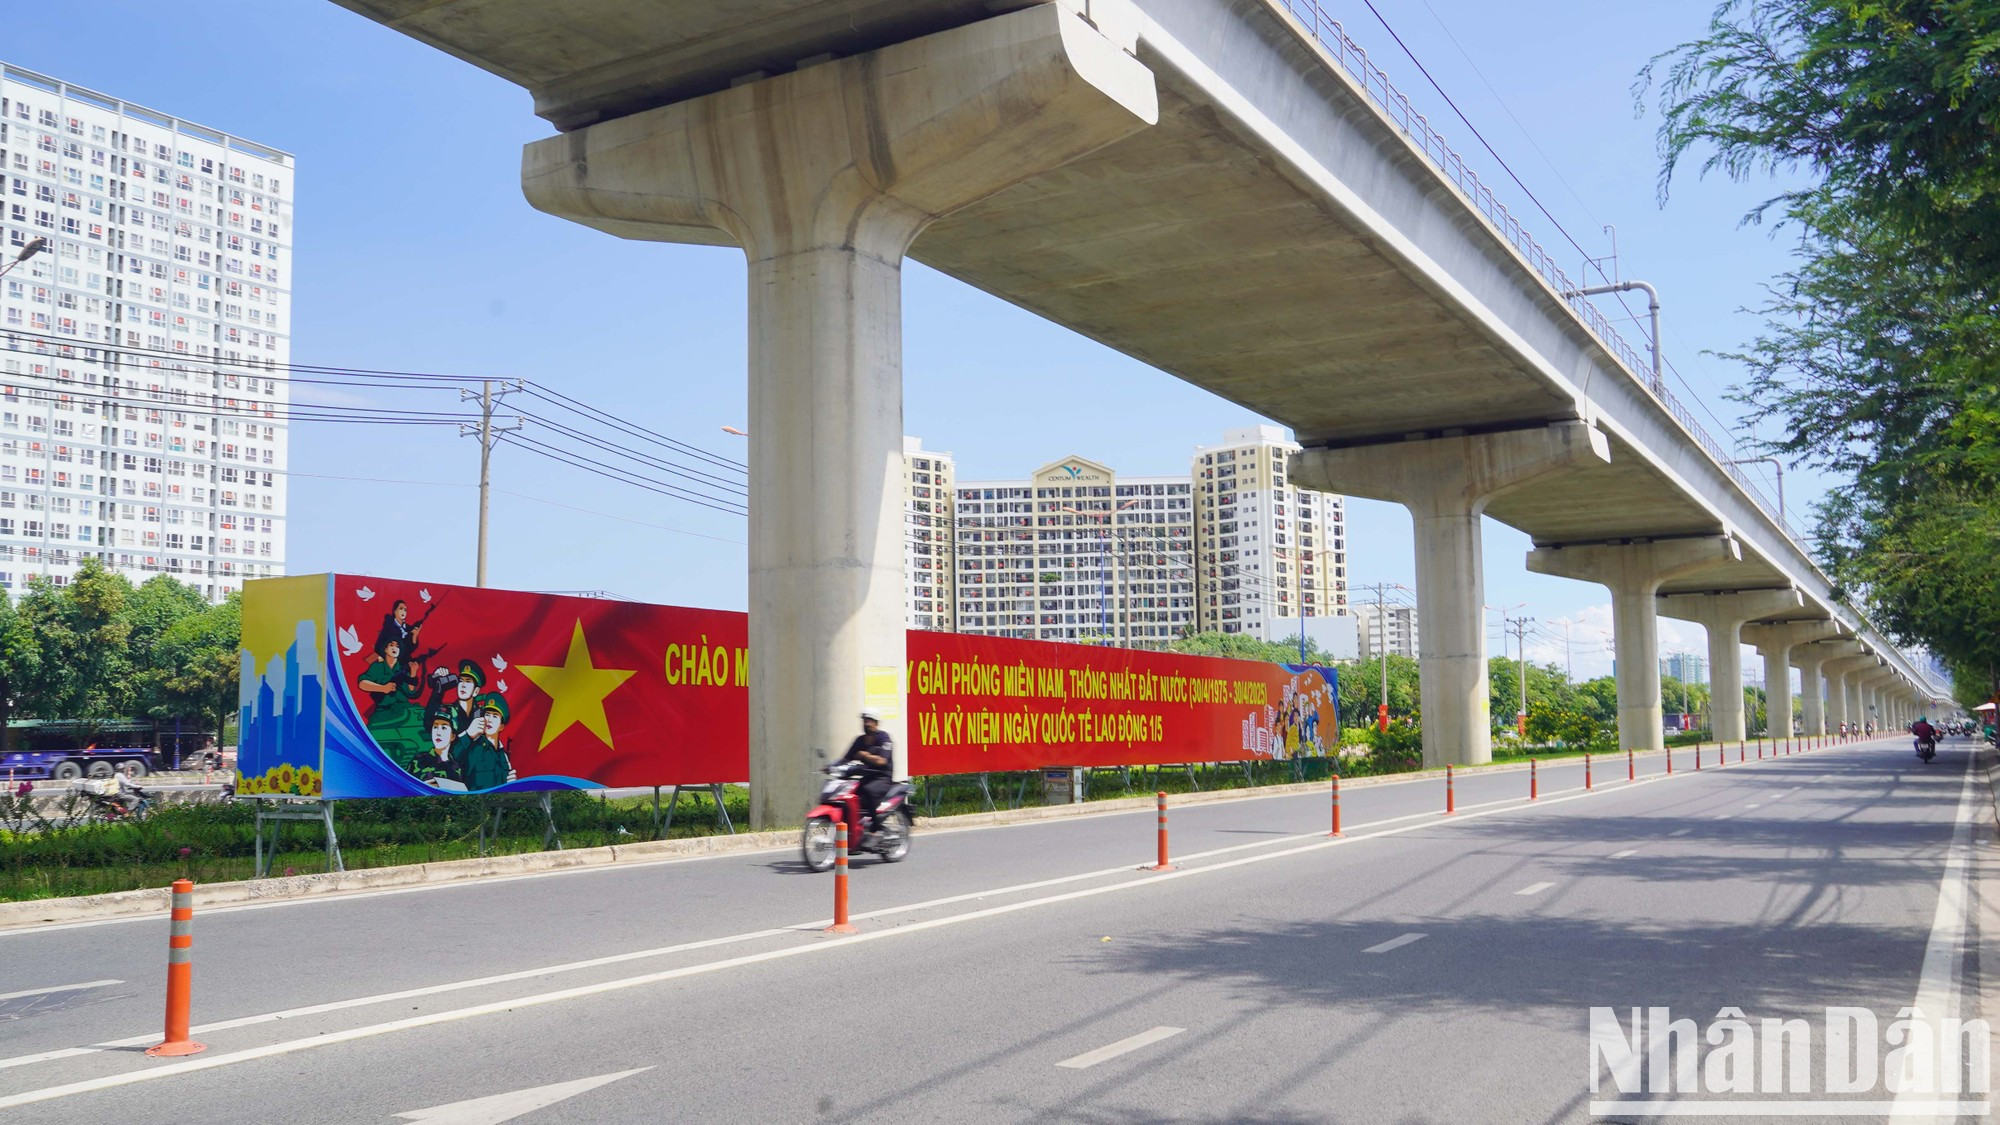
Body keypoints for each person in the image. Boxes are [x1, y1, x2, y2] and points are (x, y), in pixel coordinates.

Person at [838, 711, 894, 837]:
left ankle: (876, 828)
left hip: (882, 777)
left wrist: (865, 755)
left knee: (869, 791)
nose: (866, 723)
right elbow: (846, 758)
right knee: (849, 794)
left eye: (870, 721)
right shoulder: (860, 740)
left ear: (876, 724)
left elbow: (882, 760)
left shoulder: (884, 738)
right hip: (867, 776)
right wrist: (831, 766)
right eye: (865, 721)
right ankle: (856, 829)